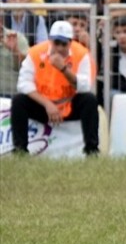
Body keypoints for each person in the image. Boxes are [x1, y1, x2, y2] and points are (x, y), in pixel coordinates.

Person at [9, 20, 99, 157]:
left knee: (90, 100)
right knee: (19, 100)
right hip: (43, 105)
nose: (60, 48)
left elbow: (85, 85)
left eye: (64, 44)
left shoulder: (81, 54)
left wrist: (64, 69)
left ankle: (91, 150)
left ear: (71, 42)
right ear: (50, 41)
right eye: (56, 43)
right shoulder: (35, 53)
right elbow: (23, 84)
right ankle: (20, 150)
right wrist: (47, 104)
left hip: (68, 104)